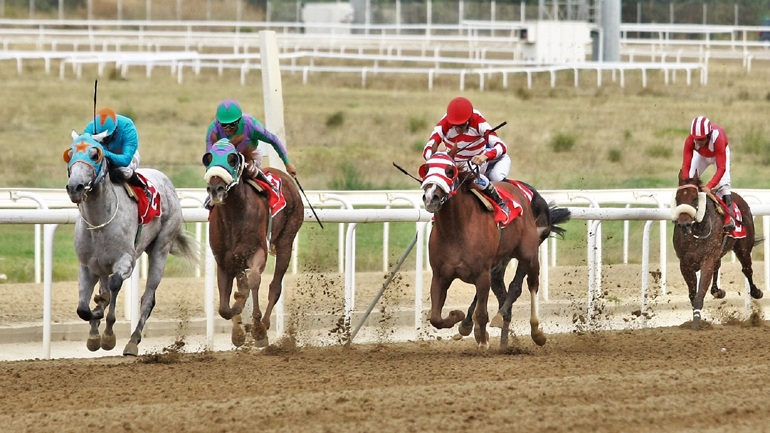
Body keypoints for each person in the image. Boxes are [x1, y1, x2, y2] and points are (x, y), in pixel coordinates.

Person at [422, 96, 511, 216]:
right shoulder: (445, 123)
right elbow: (429, 147)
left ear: (469, 120)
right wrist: (434, 158)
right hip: (455, 164)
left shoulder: (478, 121)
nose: (458, 129)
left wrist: (485, 156)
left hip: (477, 162)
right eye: (454, 126)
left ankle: (501, 205)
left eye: (461, 126)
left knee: (480, 179)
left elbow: (501, 146)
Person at [206, 99, 297, 180]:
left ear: (239, 120)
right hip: (225, 159)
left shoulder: (252, 125)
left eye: (232, 124)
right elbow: (209, 156)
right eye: (224, 125)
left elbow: (273, 140)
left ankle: (268, 188)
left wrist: (287, 163)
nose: (228, 128)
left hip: (250, 155)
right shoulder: (213, 129)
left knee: (246, 170)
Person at [682, 116, 735, 230]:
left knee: (724, 185)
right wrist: (687, 183)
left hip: (719, 155)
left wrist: (709, 186)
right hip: (702, 156)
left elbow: (721, 168)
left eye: (701, 139)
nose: (699, 142)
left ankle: (730, 219)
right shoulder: (690, 140)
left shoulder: (718, 139)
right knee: (689, 180)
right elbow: (686, 165)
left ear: (709, 135)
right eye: (697, 139)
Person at [83, 107, 149, 196]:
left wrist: (104, 153)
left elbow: (125, 161)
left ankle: (142, 188)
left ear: (116, 129)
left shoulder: (128, 127)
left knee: (122, 170)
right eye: (100, 137)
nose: (104, 140)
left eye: (107, 137)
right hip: (102, 155)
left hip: (127, 156)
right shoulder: (91, 128)